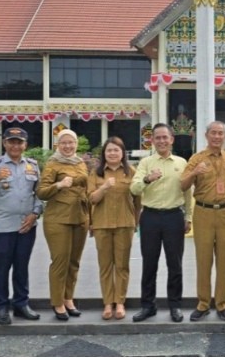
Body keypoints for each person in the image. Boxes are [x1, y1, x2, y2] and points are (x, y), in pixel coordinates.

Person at [0, 127, 43, 325]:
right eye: (11, 142)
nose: (15, 146)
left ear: (25, 145)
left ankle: (21, 304)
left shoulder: (33, 166)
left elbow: (39, 194)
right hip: (2, 227)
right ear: (4, 143)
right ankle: (2, 307)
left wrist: (35, 214)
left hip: (26, 225)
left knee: (22, 267)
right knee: (2, 268)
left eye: (19, 142)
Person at [130, 123, 194, 323]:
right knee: (149, 264)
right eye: (157, 137)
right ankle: (147, 306)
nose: (161, 141)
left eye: (165, 137)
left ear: (171, 140)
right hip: (150, 217)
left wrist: (188, 217)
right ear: (152, 140)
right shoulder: (145, 163)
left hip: (174, 217)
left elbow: (187, 191)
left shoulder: (181, 163)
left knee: (175, 264)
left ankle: (175, 305)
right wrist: (147, 179)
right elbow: (134, 189)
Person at [180, 120, 225, 322]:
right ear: (206, 136)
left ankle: (222, 304)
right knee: (203, 260)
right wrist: (194, 172)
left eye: (220, 133)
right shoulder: (197, 159)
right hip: (203, 212)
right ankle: (203, 303)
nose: (216, 136)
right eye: (213, 133)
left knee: (224, 261)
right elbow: (182, 185)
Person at [36, 129, 89, 321]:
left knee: (74, 262)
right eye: (63, 143)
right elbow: (41, 192)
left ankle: (68, 298)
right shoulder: (52, 164)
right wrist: (58, 185)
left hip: (80, 217)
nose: (68, 146)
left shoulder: (80, 163)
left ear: (76, 144)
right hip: (58, 219)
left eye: (71, 142)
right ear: (57, 145)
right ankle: (57, 302)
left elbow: (86, 189)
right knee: (60, 262)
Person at [88, 136, 141, 321]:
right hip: (102, 224)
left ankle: (120, 302)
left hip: (125, 224)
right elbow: (91, 199)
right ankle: (107, 303)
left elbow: (138, 200)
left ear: (122, 153)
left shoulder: (131, 172)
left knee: (122, 265)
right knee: (105, 266)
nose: (112, 153)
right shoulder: (96, 173)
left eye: (116, 150)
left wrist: (135, 221)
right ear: (104, 153)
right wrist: (103, 187)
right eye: (109, 150)